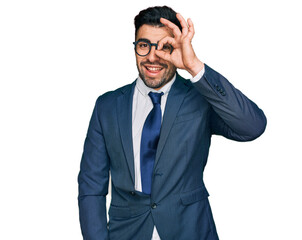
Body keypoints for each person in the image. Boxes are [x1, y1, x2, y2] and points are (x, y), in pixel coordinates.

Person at [78, 5, 267, 240]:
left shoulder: (200, 99)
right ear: (135, 46)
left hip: (190, 230)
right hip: (126, 233)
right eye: (144, 45)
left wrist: (194, 66)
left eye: (164, 47)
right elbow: (91, 186)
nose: (152, 56)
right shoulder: (107, 106)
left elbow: (252, 126)